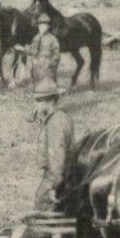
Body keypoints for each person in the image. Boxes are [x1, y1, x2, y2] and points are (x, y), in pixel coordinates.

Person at [30, 77, 74, 216]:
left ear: (48, 101)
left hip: (56, 176)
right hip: (63, 174)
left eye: (37, 101)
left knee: (41, 204)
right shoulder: (60, 117)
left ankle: (41, 236)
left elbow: (58, 157)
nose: (35, 104)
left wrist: (53, 186)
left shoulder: (55, 124)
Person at [16, 13, 61, 84]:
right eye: (40, 25)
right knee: (35, 87)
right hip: (36, 69)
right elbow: (32, 51)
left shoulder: (53, 39)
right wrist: (22, 48)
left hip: (48, 70)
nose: (42, 27)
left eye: (44, 25)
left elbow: (57, 56)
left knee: (46, 88)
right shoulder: (36, 38)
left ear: (48, 26)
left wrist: (48, 64)